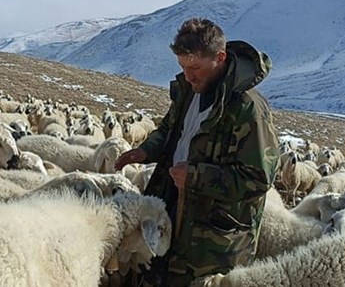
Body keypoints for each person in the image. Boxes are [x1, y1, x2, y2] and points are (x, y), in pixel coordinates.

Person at [114, 18, 279, 286]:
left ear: (220, 57)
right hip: (173, 216)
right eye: (182, 67)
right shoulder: (190, 92)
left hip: (213, 242)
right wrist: (145, 151)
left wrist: (196, 177)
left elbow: (259, 177)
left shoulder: (247, 110)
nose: (188, 76)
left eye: (195, 67)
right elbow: (170, 131)